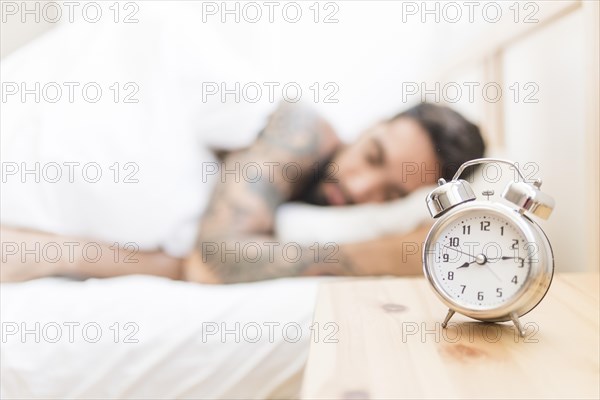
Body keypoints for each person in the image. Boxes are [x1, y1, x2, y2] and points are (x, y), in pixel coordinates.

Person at [1, 102, 485, 283]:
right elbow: (211, 260)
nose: (357, 186)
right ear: (372, 123)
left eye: (388, 193)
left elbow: (195, 264)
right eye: (373, 155)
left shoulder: (286, 217)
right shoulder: (304, 129)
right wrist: (384, 257)